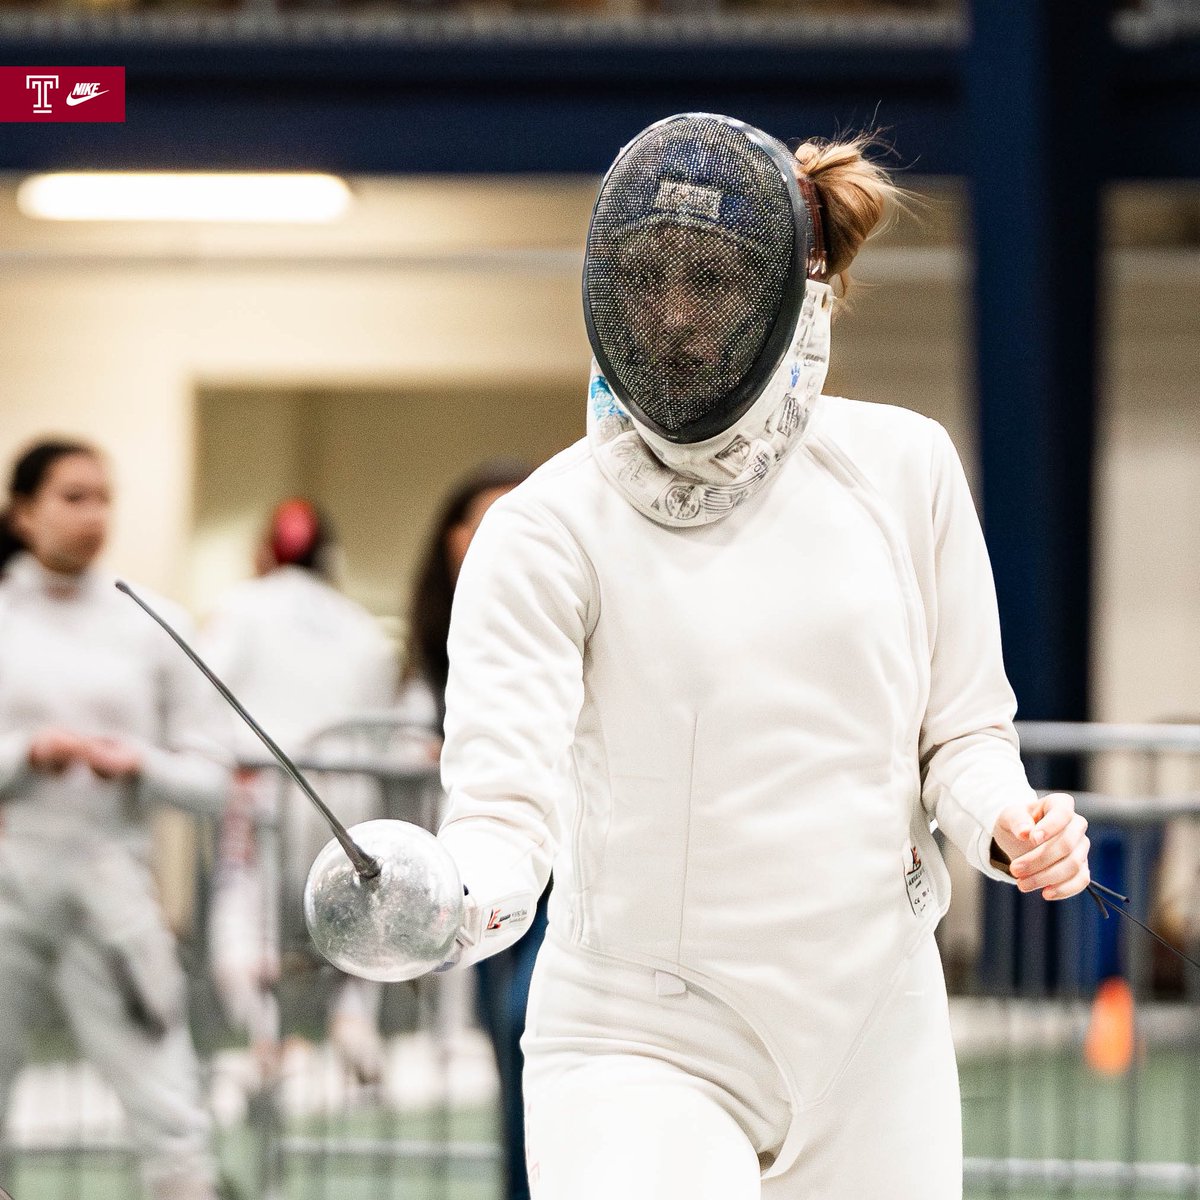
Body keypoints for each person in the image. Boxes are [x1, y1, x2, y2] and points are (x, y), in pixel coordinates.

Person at [432, 114, 1093, 1199]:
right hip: (640, 1037)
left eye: (713, 283)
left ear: (803, 282)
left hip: (877, 1031)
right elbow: (503, 809)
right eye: (653, 282)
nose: (681, 318)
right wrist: (450, 898)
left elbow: (963, 732)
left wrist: (1007, 823)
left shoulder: (904, 470)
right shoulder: (547, 524)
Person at [0, 439, 230, 1200]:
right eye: (72, 497)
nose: (94, 514)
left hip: (113, 892)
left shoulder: (151, 620)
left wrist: (141, 764)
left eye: (104, 497)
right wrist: (25, 752)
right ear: (24, 511)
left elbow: (211, 779)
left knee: (169, 1114)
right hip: (8, 884)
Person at [202, 498, 397, 1084]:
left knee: (244, 916)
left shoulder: (241, 606)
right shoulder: (362, 625)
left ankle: (266, 1035)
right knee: (356, 915)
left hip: (262, 787)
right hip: (350, 795)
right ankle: (353, 1016)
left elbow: (204, 687)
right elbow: (381, 720)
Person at [400, 461, 545, 1200]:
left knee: (539, 1024)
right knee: (509, 1037)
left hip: (564, 859)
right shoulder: (437, 636)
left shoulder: (559, 605)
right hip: (476, 859)